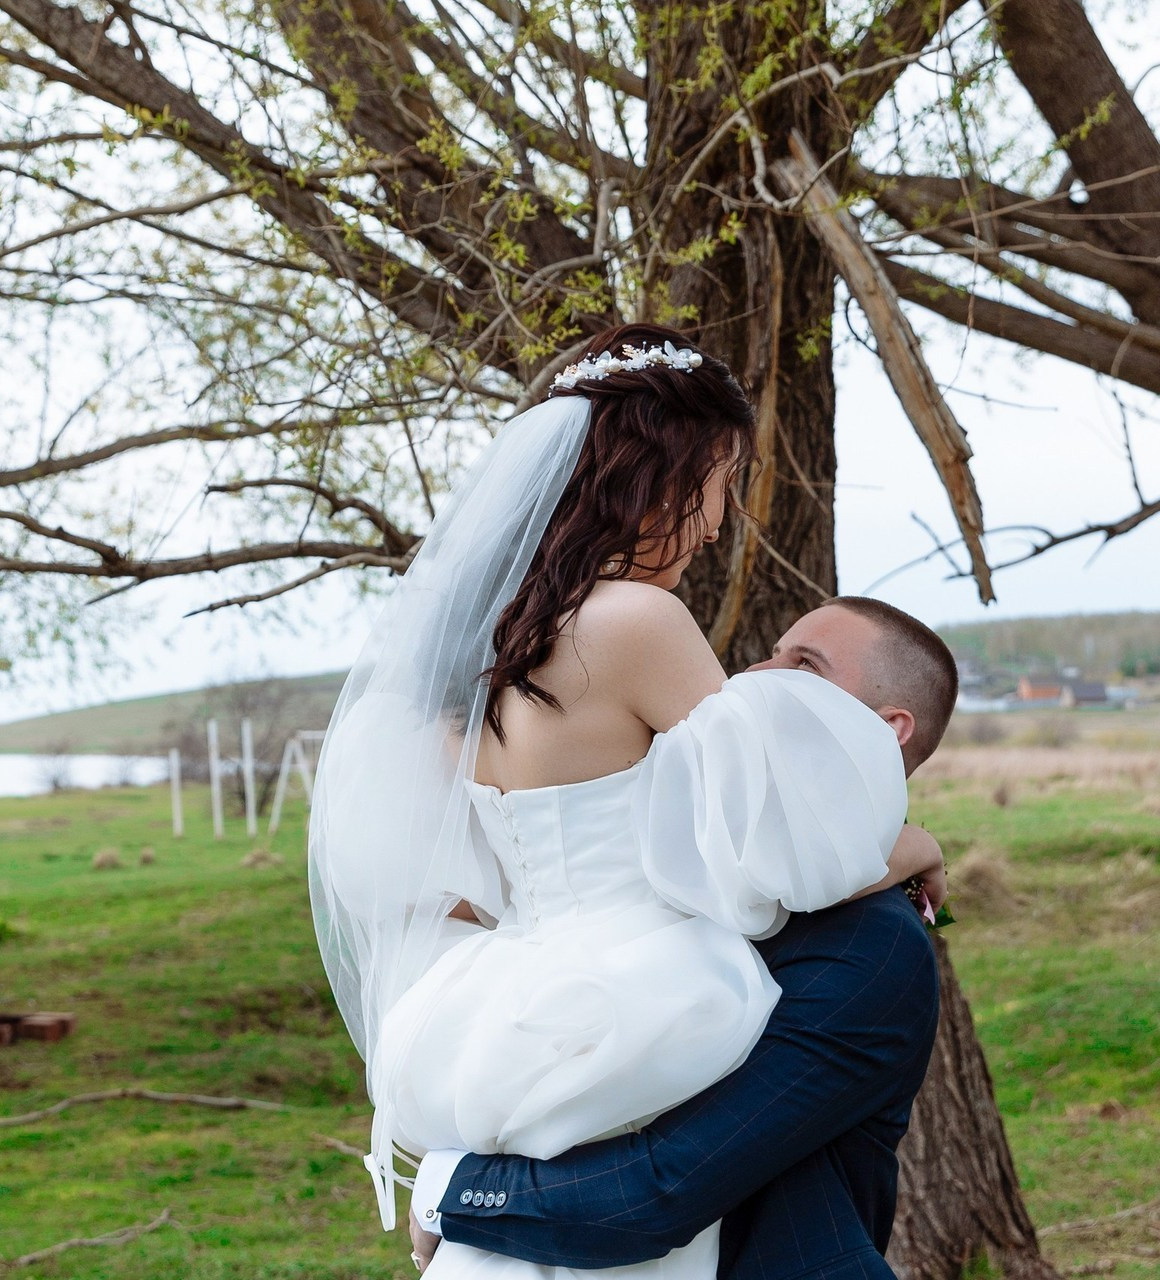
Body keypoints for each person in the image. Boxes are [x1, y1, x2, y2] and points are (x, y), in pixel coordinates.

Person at [308, 324, 947, 1278]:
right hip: (632, 993)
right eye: (724, 483)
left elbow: (450, 879)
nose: (721, 522)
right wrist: (916, 841)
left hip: (509, 997)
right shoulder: (638, 623)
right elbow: (770, 856)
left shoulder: (482, 655)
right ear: (666, 471)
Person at [407, 597, 959, 1278]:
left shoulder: (873, 949)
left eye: (803, 665)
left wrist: (452, 1192)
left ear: (887, 730)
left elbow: (656, 1192)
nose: (758, 673)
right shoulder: (702, 865)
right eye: (771, 650)